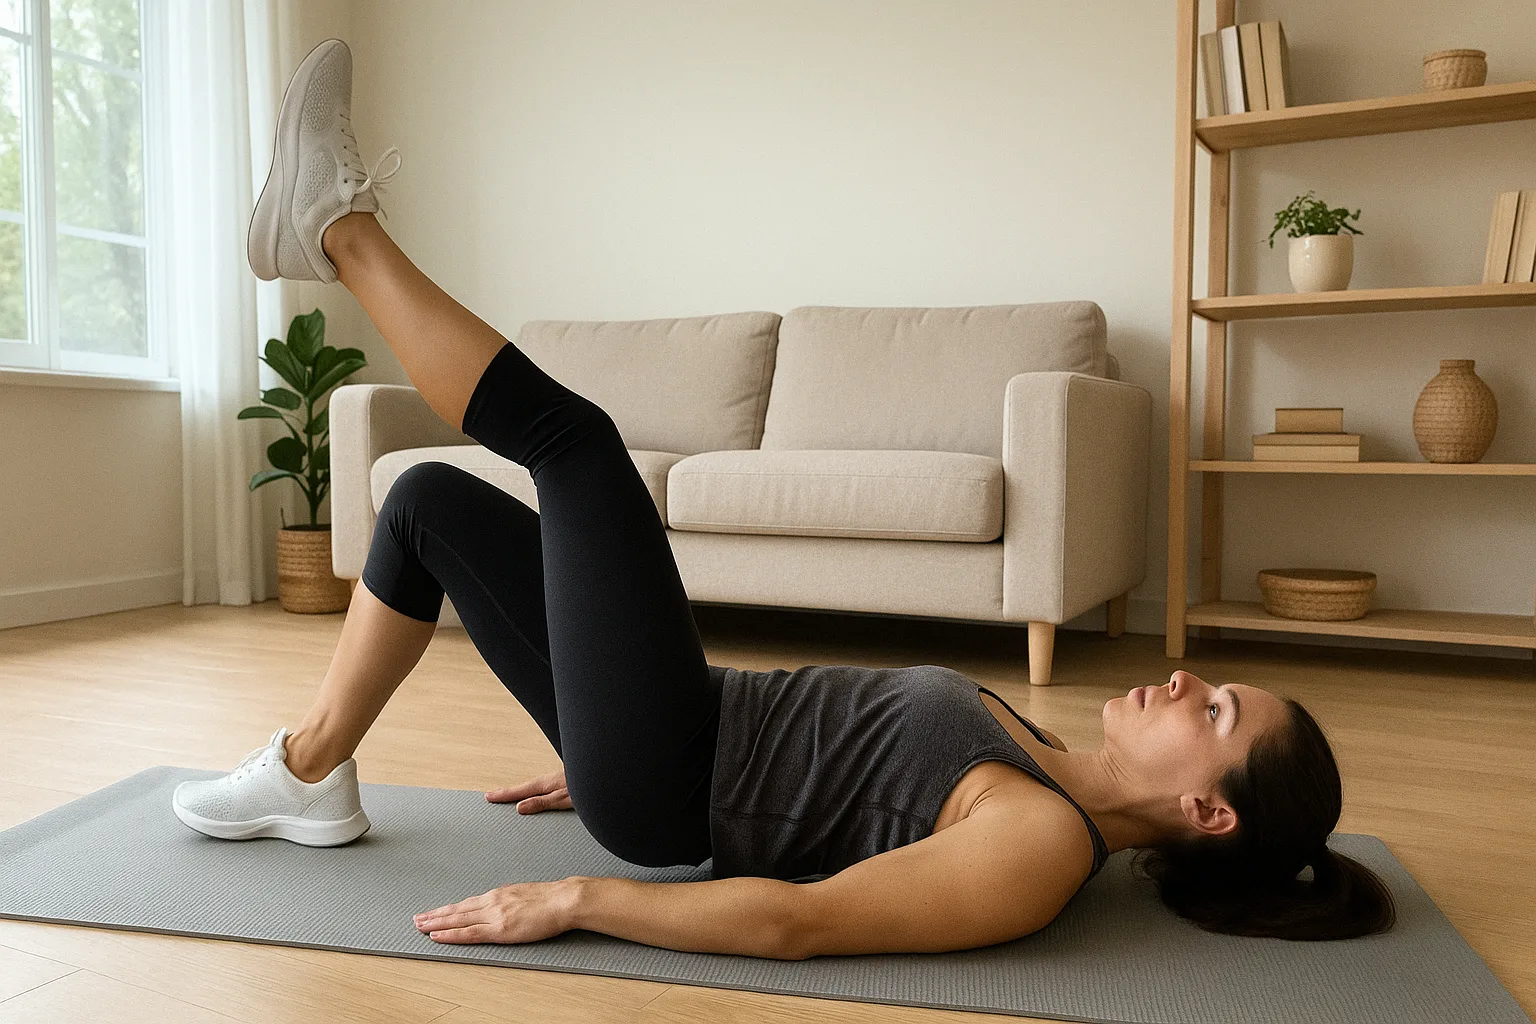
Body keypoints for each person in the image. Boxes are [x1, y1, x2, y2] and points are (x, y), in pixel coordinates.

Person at [172, 38, 1396, 958]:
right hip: (670, 726)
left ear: (1206, 810)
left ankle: (334, 226)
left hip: (670, 778)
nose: (1188, 680)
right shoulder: (1051, 760)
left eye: (1222, 708)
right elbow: (828, 760)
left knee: (575, 443)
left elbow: (801, 922)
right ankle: (308, 774)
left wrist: (582, 896)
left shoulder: (1037, 848)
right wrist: (589, 729)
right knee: (428, 501)